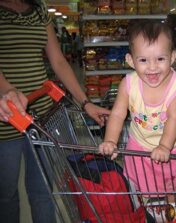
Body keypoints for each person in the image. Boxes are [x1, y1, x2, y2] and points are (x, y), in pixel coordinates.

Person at [0, 1, 110, 222]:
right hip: (6, 116)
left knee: (43, 193)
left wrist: (85, 103)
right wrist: (9, 90)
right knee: (6, 195)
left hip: (42, 116)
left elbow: (59, 61)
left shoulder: (39, 8)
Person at [99, 20, 176, 202]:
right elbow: (117, 114)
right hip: (138, 144)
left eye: (160, 59)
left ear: (172, 57)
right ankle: (144, 209)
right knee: (139, 184)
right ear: (131, 61)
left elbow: (174, 117)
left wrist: (164, 146)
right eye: (143, 60)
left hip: (170, 146)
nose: (152, 67)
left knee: (169, 185)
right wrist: (110, 140)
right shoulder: (128, 84)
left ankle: (170, 209)